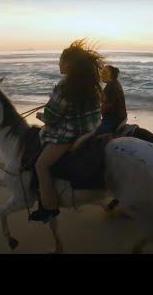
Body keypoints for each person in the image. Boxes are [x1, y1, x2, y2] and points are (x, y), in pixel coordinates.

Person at [29, 39, 105, 223]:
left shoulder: (64, 87)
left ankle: (49, 207)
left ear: (69, 63)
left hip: (70, 137)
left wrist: (42, 116)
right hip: (92, 131)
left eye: (61, 60)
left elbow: (52, 117)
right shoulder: (92, 85)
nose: (58, 63)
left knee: (41, 165)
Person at [94, 65, 127, 135]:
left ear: (109, 74)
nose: (101, 74)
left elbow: (106, 106)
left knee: (92, 133)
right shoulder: (116, 83)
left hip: (112, 119)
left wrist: (94, 114)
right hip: (120, 117)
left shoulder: (110, 86)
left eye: (103, 72)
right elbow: (104, 100)